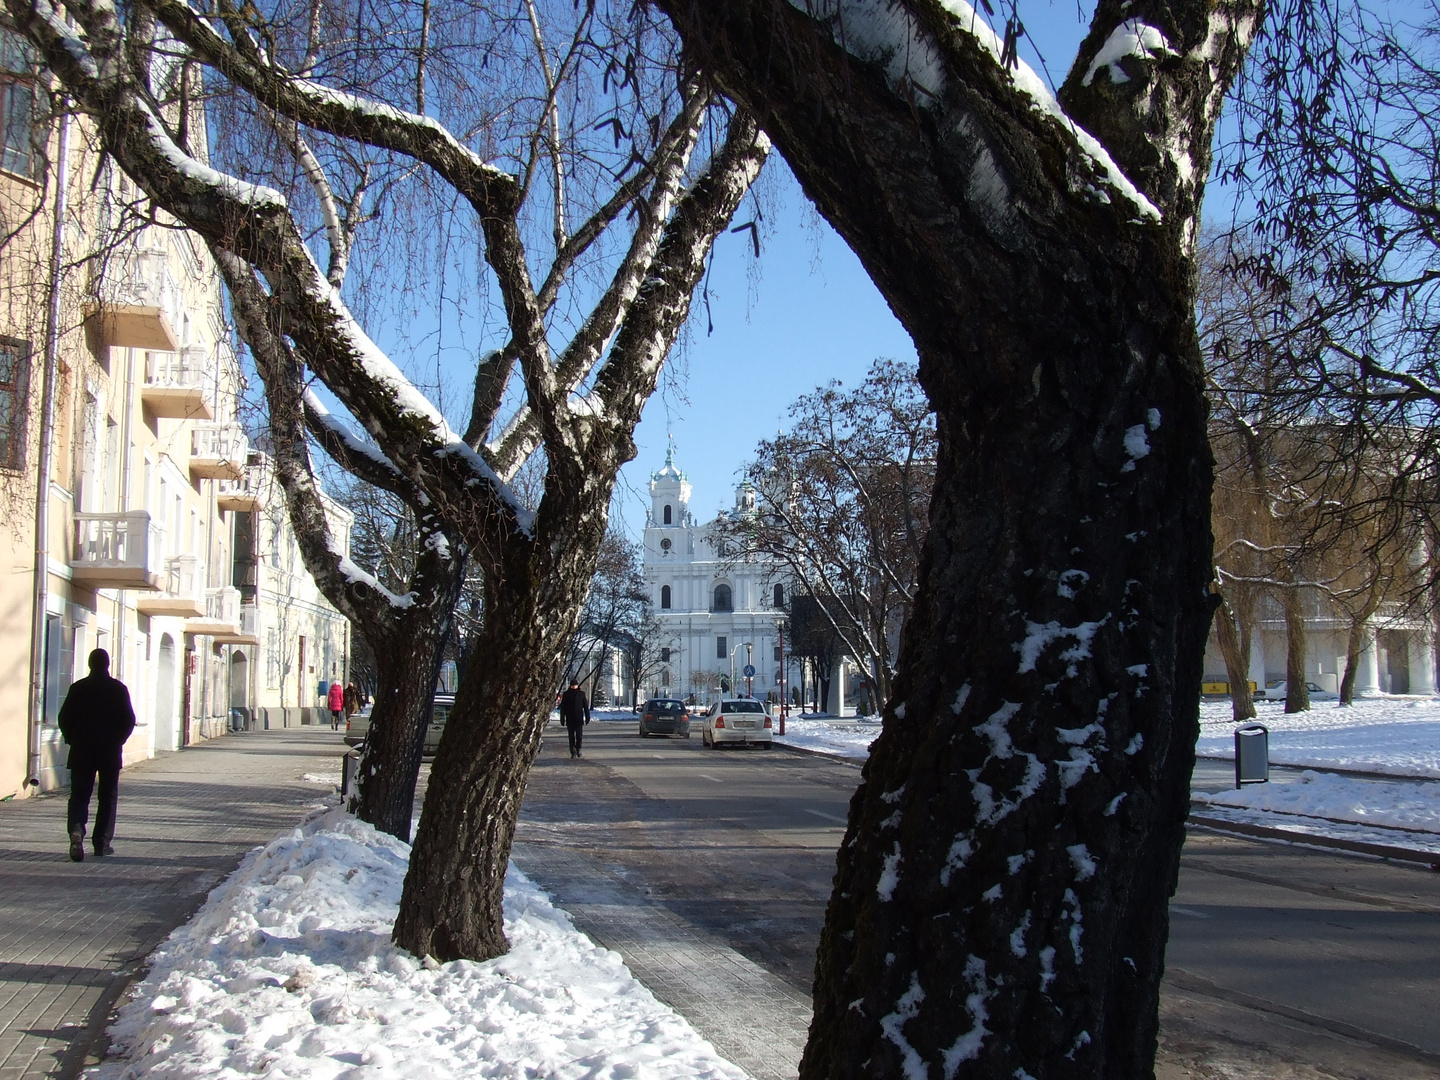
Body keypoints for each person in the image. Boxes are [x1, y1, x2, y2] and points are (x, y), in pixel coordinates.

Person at [58, 648, 136, 861]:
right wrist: (118, 740)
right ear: (107, 665)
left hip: (81, 751)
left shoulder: (78, 688)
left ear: (90, 664)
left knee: (79, 795)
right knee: (108, 797)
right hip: (109, 751)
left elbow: (64, 718)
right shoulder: (118, 689)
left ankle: (76, 830)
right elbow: (129, 720)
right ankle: (102, 843)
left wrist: (72, 739)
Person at [558, 680, 590, 758]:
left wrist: (587, 717)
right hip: (570, 718)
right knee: (571, 736)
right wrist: (562, 718)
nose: (574, 687)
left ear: (577, 686)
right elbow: (563, 708)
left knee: (579, 736)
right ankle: (573, 751)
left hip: (579, 718)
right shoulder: (566, 694)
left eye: (575, 685)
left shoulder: (581, 694)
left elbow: (585, 707)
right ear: (570, 686)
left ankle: (578, 749)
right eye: (572, 685)